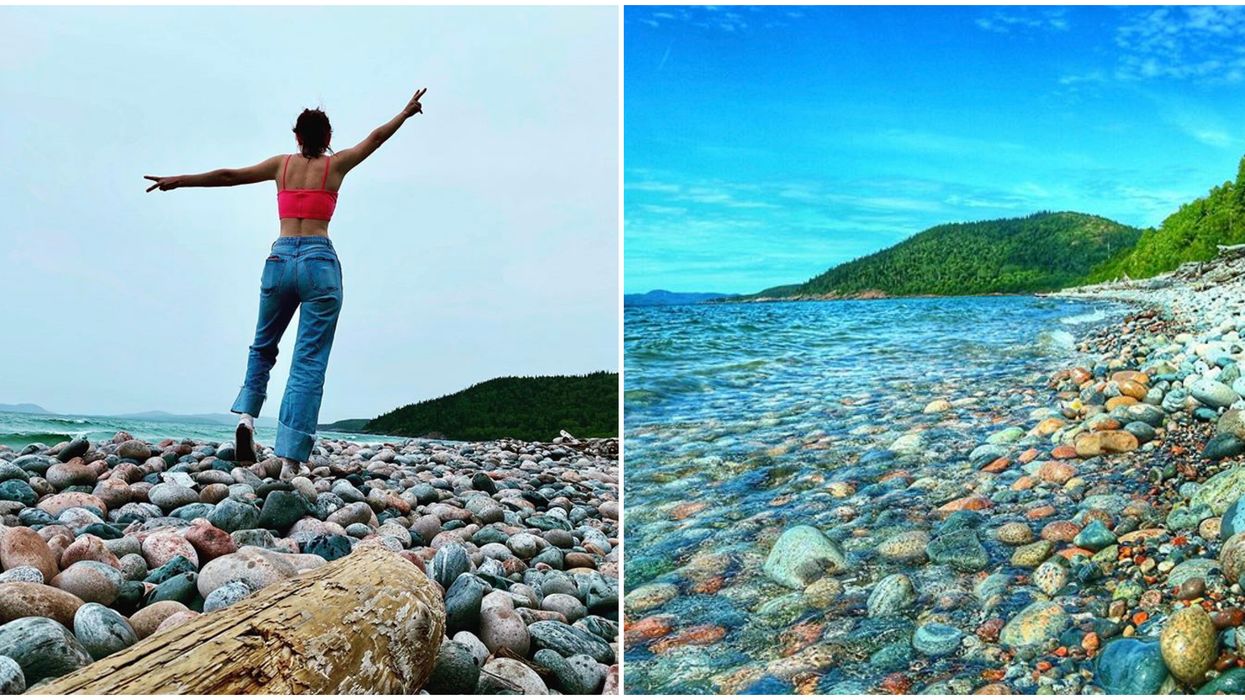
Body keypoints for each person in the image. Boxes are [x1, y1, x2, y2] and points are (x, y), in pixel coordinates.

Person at [144, 88, 427, 478]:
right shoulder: (337, 165)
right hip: (319, 261)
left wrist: (181, 180)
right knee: (308, 360)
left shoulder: (281, 166)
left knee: (263, 345)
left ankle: (246, 418)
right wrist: (405, 112)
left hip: (279, 260)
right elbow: (376, 138)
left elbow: (229, 176)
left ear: (296, 137)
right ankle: (291, 459)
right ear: (328, 138)